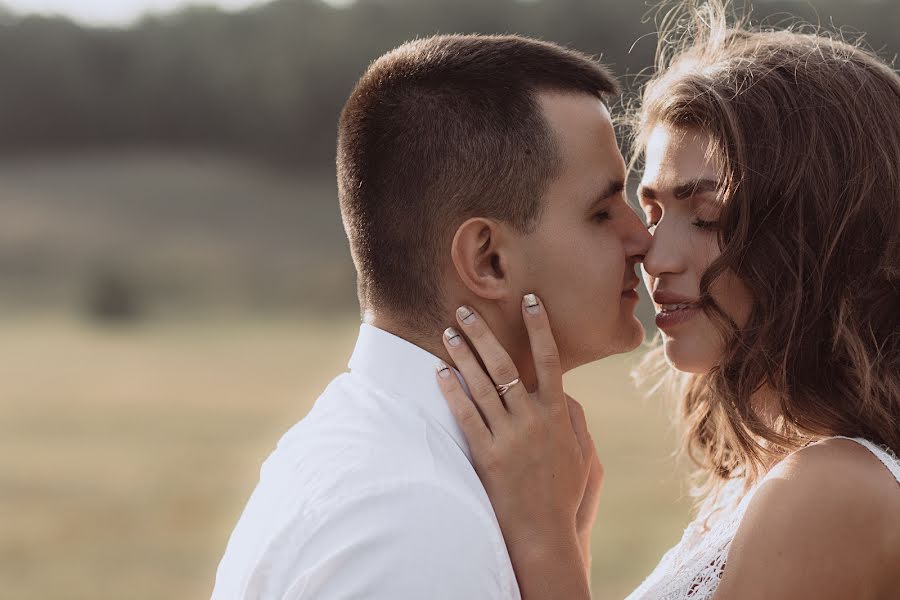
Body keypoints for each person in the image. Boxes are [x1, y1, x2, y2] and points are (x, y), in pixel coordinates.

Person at [437, 3, 900, 599]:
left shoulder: (833, 491)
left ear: (828, 237)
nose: (655, 257)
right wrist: (572, 532)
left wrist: (544, 535)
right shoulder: (771, 476)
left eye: (707, 217)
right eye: (654, 212)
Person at [211, 33, 651, 599]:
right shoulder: (413, 523)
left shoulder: (382, 461)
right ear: (488, 260)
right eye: (601, 211)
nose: (641, 237)